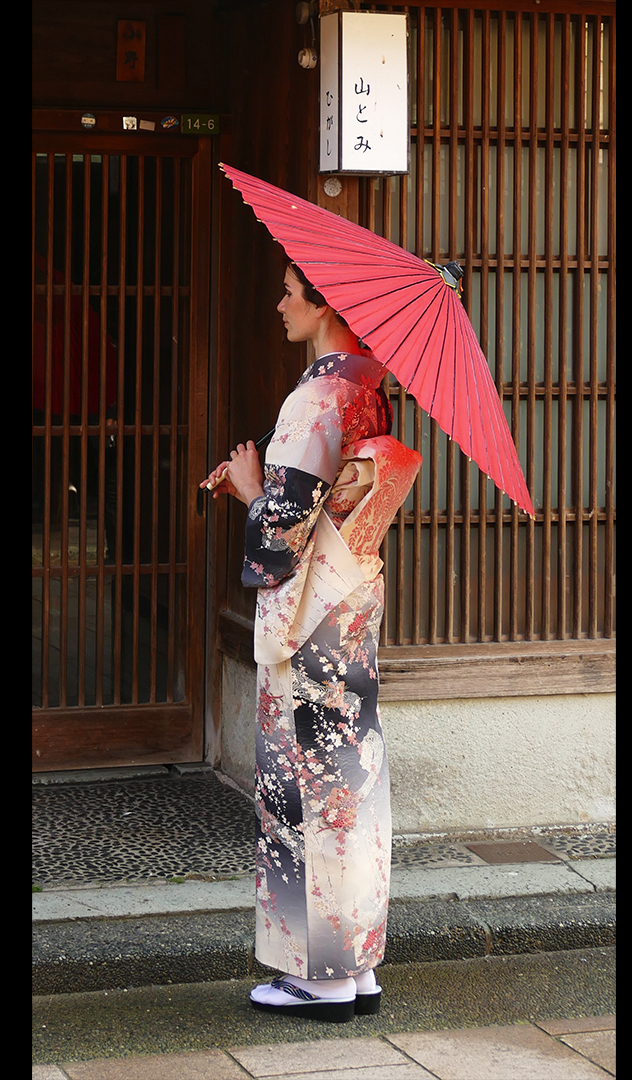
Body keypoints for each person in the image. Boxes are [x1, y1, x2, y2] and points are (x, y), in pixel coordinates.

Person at [205, 261, 420, 1022]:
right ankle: (355, 965)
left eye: (291, 291)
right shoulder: (369, 394)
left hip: (306, 625)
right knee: (351, 785)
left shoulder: (319, 397)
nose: (279, 303)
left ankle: (318, 977)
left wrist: (248, 486)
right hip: (349, 615)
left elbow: (279, 538)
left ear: (325, 301)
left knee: (303, 790)